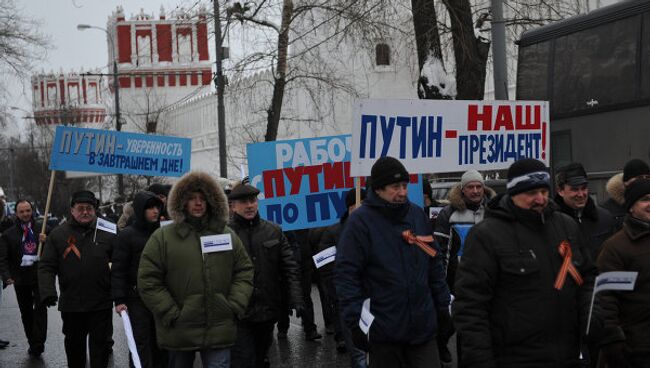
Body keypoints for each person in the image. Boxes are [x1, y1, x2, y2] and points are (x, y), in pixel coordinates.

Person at [453, 158, 596, 368]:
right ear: (513, 194)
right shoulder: (487, 235)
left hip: (568, 355)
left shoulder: (566, 227)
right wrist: (480, 360)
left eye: (544, 192)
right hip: (513, 358)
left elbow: (588, 279)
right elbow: (471, 307)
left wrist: (592, 322)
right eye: (531, 193)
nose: (540, 199)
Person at [336, 156, 451, 368]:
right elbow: (346, 276)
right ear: (378, 189)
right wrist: (355, 323)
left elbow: (434, 264)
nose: (402, 192)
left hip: (422, 330)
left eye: (405, 185)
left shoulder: (417, 215)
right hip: (384, 332)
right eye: (395, 186)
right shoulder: (360, 223)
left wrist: (443, 306)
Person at [138, 171, 254, 368]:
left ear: (211, 201)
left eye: (202, 198)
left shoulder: (227, 235)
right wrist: (171, 313)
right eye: (192, 198)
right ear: (182, 202)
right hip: (179, 330)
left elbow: (244, 270)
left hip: (219, 326)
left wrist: (234, 304)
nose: (198, 203)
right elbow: (148, 280)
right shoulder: (162, 237)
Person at [228, 183, 303, 368]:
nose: (249, 205)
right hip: (239, 313)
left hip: (267, 310)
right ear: (233, 206)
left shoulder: (273, 230)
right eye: (244, 202)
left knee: (261, 356)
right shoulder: (225, 234)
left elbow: (289, 267)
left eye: (252, 200)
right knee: (244, 359)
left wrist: (296, 296)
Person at [38, 190, 115, 368]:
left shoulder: (108, 231)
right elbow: (46, 266)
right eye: (80, 208)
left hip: (100, 302)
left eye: (89, 208)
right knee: (74, 349)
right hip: (72, 304)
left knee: (100, 349)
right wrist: (48, 292)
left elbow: (119, 262)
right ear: (72, 210)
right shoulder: (58, 235)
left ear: (95, 210)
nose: (85, 212)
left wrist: (119, 292)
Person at [433, 169, 495, 364]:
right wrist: (442, 286)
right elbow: (442, 252)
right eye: (471, 187)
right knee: (461, 329)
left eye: (479, 186)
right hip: (459, 282)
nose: (476, 191)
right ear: (462, 189)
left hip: (488, 280)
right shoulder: (448, 214)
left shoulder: (493, 211)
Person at [595, 178, 650, 367]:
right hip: (638, 351)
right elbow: (607, 300)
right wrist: (615, 344)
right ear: (631, 207)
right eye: (645, 199)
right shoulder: (618, 248)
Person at [112, 191, 166, 368]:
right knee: (140, 342)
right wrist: (119, 300)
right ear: (140, 210)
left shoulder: (164, 233)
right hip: (136, 298)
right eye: (150, 207)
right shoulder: (127, 235)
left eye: (157, 207)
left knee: (161, 342)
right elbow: (118, 269)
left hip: (161, 296)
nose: (155, 211)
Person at [318, 188, 367, 367]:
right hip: (349, 304)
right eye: (357, 207)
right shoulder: (332, 234)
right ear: (349, 208)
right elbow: (326, 272)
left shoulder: (377, 231)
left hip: (378, 303)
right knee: (359, 354)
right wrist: (342, 296)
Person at [0, 200, 49, 356]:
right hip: (20, 279)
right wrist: (6, 276)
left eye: (28, 210)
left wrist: (46, 241)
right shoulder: (8, 235)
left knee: (41, 309)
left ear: (31, 210)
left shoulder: (42, 229)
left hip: (39, 276)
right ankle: (32, 342)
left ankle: (39, 340)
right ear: (17, 213)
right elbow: (3, 258)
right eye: (22, 211)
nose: (26, 214)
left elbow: (54, 251)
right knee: (26, 312)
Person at [554, 162, 615, 262]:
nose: (581, 194)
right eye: (574, 189)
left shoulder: (605, 218)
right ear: (560, 191)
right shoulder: (553, 224)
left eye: (584, 188)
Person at [602, 159, 650, 230]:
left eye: (648, 177)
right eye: (639, 178)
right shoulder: (607, 211)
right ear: (626, 182)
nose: (644, 180)